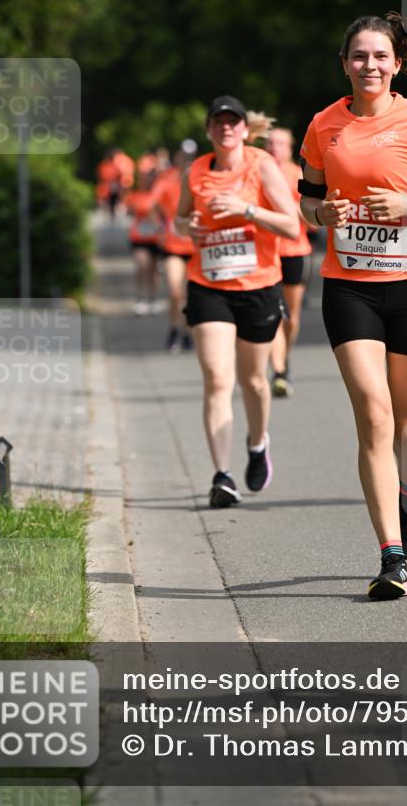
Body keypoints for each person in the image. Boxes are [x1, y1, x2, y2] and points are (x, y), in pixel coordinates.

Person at [298, 13, 407, 601]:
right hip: (350, 285)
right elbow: (308, 199)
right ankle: (392, 558)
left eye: (380, 57)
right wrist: (322, 216)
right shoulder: (324, 125)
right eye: (358, 56)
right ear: (344, 62)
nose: (369, 66)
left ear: (397, 64)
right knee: (375, 415)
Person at [175, 95, 299, 508]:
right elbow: (178, 217)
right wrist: (187, 224)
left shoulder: (261, 165)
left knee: (255, 381)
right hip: (208, 284)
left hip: (258, 285)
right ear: (209, 130)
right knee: (216, 376)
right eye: (218, 122)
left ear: (245, 129)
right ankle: (221, 476)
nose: (226, 128)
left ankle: (258, 441)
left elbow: (290, 224)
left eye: (233, 122)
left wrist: (247, 209)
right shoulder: (196, 170)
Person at [265, 127, 314, 397]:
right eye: (270, 143)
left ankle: (285, 357)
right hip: (266, 253)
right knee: (274, 312)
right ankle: (279, 369)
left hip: (295, 251)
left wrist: (289, 209)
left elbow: (313, 220)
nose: (274, 147)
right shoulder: (258, 172)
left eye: (280, 143)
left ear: (290, 147)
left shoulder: (298, 175)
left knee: (291, 317)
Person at [147, 140, 198, 351]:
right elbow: (152, 205)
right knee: (176, 292)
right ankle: (174, 329)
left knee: (190, 294)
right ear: (177, 157)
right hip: (172, 247)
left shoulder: (201, 177)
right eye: (183, 156)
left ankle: (187, 333)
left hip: (196, 247)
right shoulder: (167, 179)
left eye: (190, 156)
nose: (186, 160)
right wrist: (159, 227)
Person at [124, 171, 165, 315]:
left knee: (154, 271)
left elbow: (168, 214)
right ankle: (141, 300)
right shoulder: (135, 196)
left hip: (156, 238)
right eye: (147, 180)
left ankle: (153, 299)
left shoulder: (160, 196)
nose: (149, 183)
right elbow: (129, 212)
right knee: (142, 266)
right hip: (139, 236)